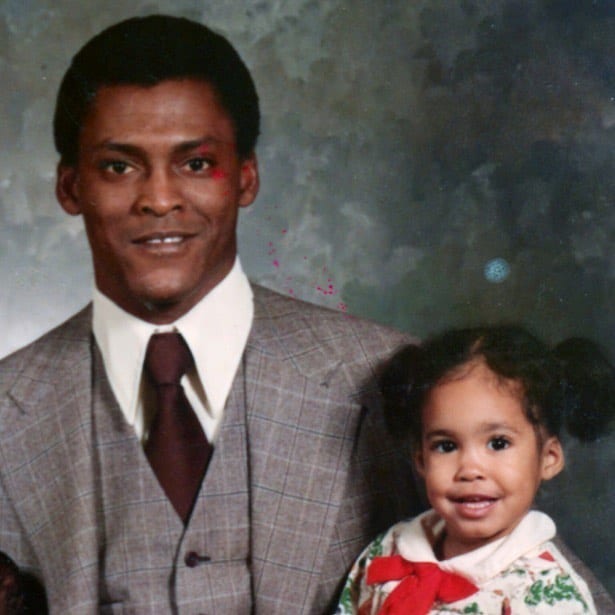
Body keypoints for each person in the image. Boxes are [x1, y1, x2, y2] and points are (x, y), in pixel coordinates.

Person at [0, 14, 423, 613]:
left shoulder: (392, 375)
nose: (160, 199)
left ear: (246, 177)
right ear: (70, 187)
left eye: (196, 163)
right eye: (119, 166)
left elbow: (534, 586)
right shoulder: (4, 415)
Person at [336, 325, 615, 614]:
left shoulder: (549, 597)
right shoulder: (389, 548)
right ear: (420, 459)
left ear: (549, 457)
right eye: (446, 446)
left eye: (498, 443)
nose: (469, 470)